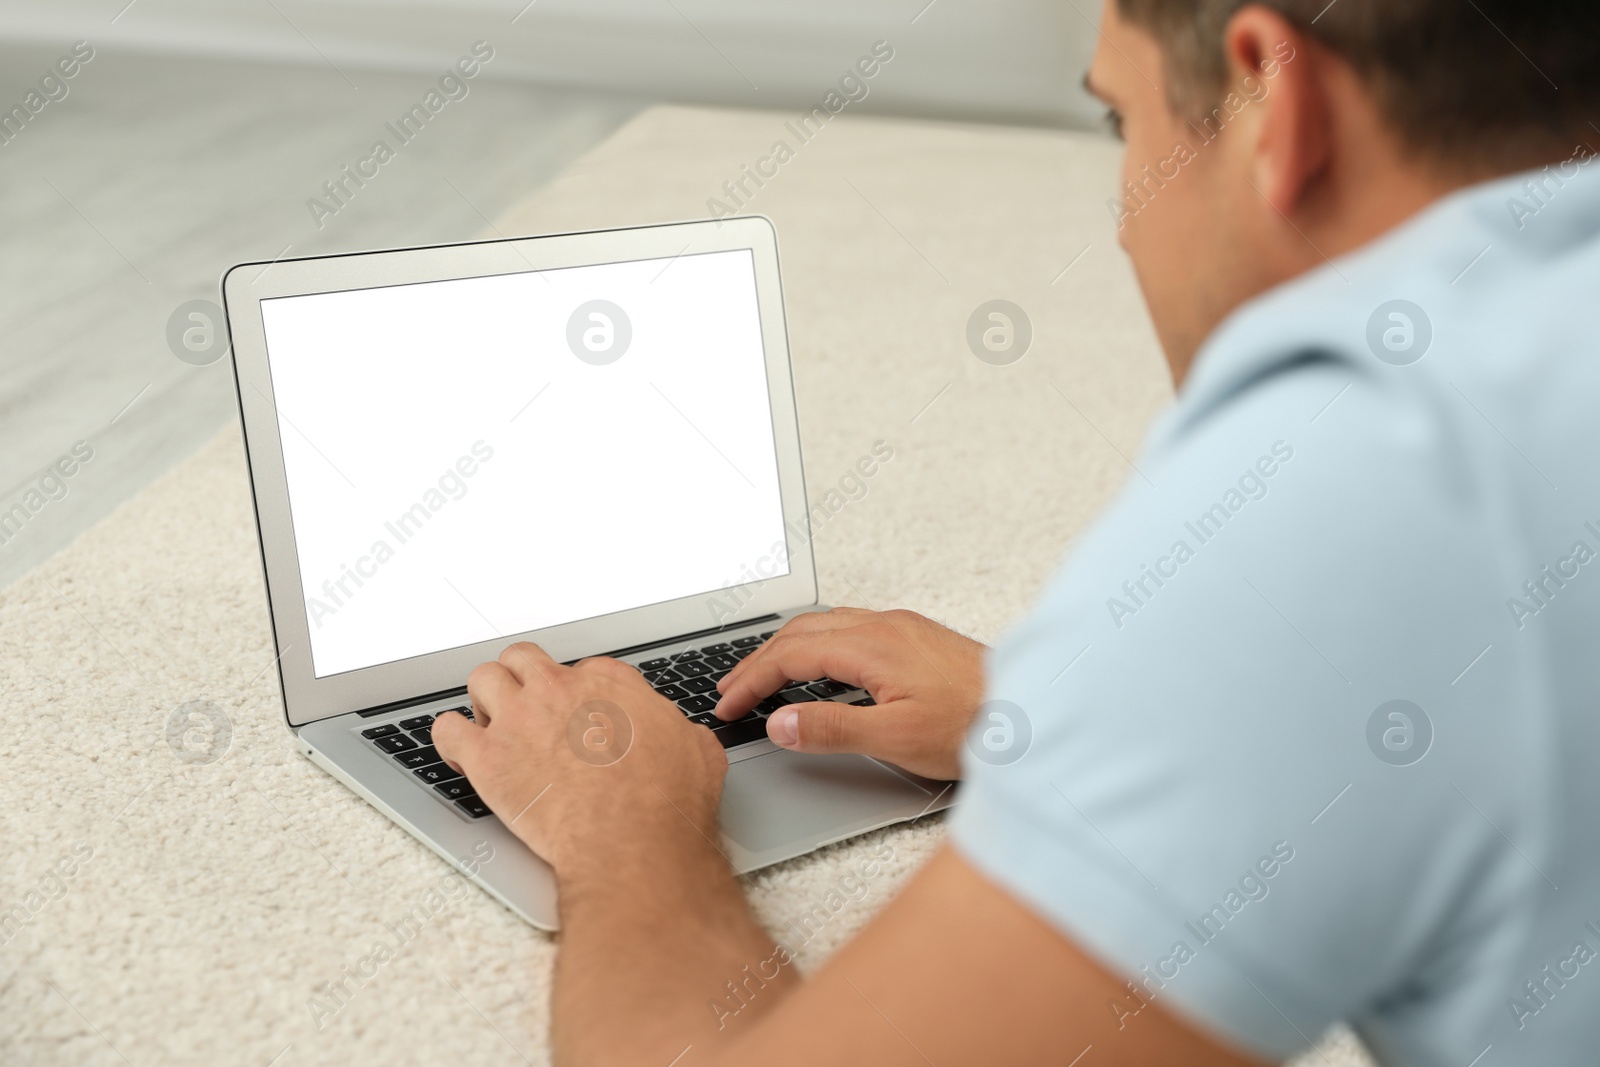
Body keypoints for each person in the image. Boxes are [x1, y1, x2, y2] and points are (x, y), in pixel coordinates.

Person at [433, 1, 1600, 1062]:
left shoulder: (1371, 463)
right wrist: (1075, 724)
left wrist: (627, 837)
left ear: (1267, 99)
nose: (1126, 227)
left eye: (1120, 124)